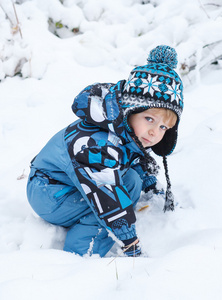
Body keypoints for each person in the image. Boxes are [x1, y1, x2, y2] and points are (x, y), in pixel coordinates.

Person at [26, 45, 184, 257]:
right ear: (130, 111)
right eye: (149, 119)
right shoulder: (97, 145)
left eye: (163, 127)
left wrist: (150, 185)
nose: (155, 132)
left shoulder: (121, 128)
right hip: (49, 192)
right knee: (104, 208)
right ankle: (81, 256)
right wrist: (130, 241)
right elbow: (106, 195)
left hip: (65, 183)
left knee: (132, 182)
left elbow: (130, 158)